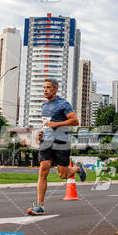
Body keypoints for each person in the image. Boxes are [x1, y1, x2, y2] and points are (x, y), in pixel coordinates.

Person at [28, 78, 86, 215]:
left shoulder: (63, 104)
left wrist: (56, 124)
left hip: (61, 141)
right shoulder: (44, 106)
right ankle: (40, 206)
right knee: (43, 169)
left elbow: (75, 121)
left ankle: (77, 168)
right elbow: (46, 124)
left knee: (63, 174)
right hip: (46, 142)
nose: (45, 90)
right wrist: (41, 134)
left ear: (55, 89)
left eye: (48, 88)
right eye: (43, 88)